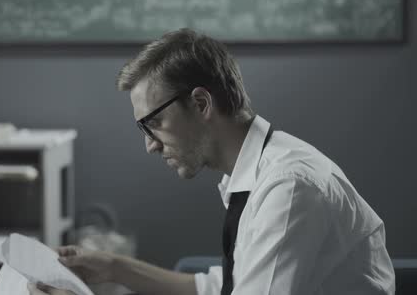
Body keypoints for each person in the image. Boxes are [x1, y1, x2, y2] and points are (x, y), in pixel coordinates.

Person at [28, 28, 395, 295]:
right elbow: (224, 287)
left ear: (202, 104)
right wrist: (113, 267)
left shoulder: (289, 186)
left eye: (153, 123)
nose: (150, 146)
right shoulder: (259, 170)